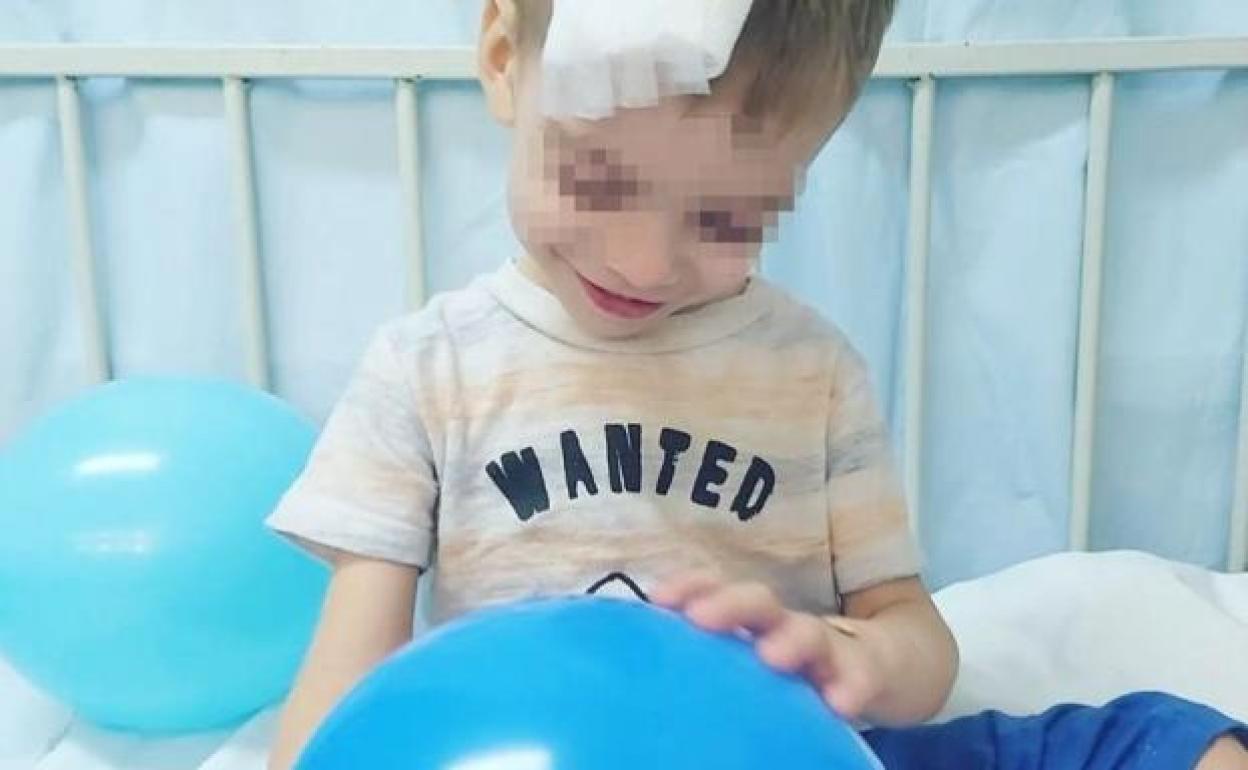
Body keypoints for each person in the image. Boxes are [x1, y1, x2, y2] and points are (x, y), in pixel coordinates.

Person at [264, 2, 1248, 768]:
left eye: (727, 218)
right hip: (527, 749)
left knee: (1171, 739)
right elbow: (348, 684)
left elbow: (916, 640)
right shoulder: (426, 368)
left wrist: (858, 657)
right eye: (597, 179)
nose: (645, 261)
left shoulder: (813, 374)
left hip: (778, 748)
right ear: (499, 56)